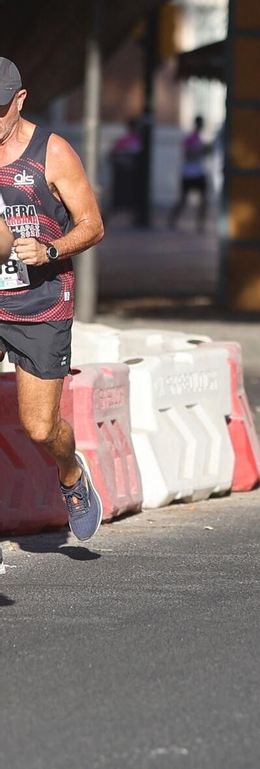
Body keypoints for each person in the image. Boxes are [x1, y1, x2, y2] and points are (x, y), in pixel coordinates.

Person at [0, 58, 106, 559]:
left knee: (40, 427)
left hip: (41, 301)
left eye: (0, 111)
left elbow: (92, 224)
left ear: (20, 102)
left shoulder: (52, 151)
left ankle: (70, 472)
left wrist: (48, 250)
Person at [168, 116, 211, 231]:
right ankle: (172, 219)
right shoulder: (190, 139)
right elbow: (187, 154)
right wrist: (199, 151)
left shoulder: (201, 139)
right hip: (188, 173)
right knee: (183, 200)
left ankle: (200, 224)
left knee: (204, 200)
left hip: (198, 172)